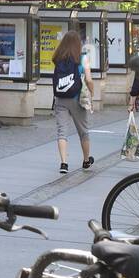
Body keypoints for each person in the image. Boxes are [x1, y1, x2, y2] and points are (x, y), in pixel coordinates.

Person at [51, 31, 95, 175]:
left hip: (60, 99)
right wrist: (92, 94)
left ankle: (64, 163)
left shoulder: (58, 58)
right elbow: (88, 80)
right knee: (83, 131)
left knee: (62, 131)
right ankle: (86, 160)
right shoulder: (82, 58)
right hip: (77, 98)